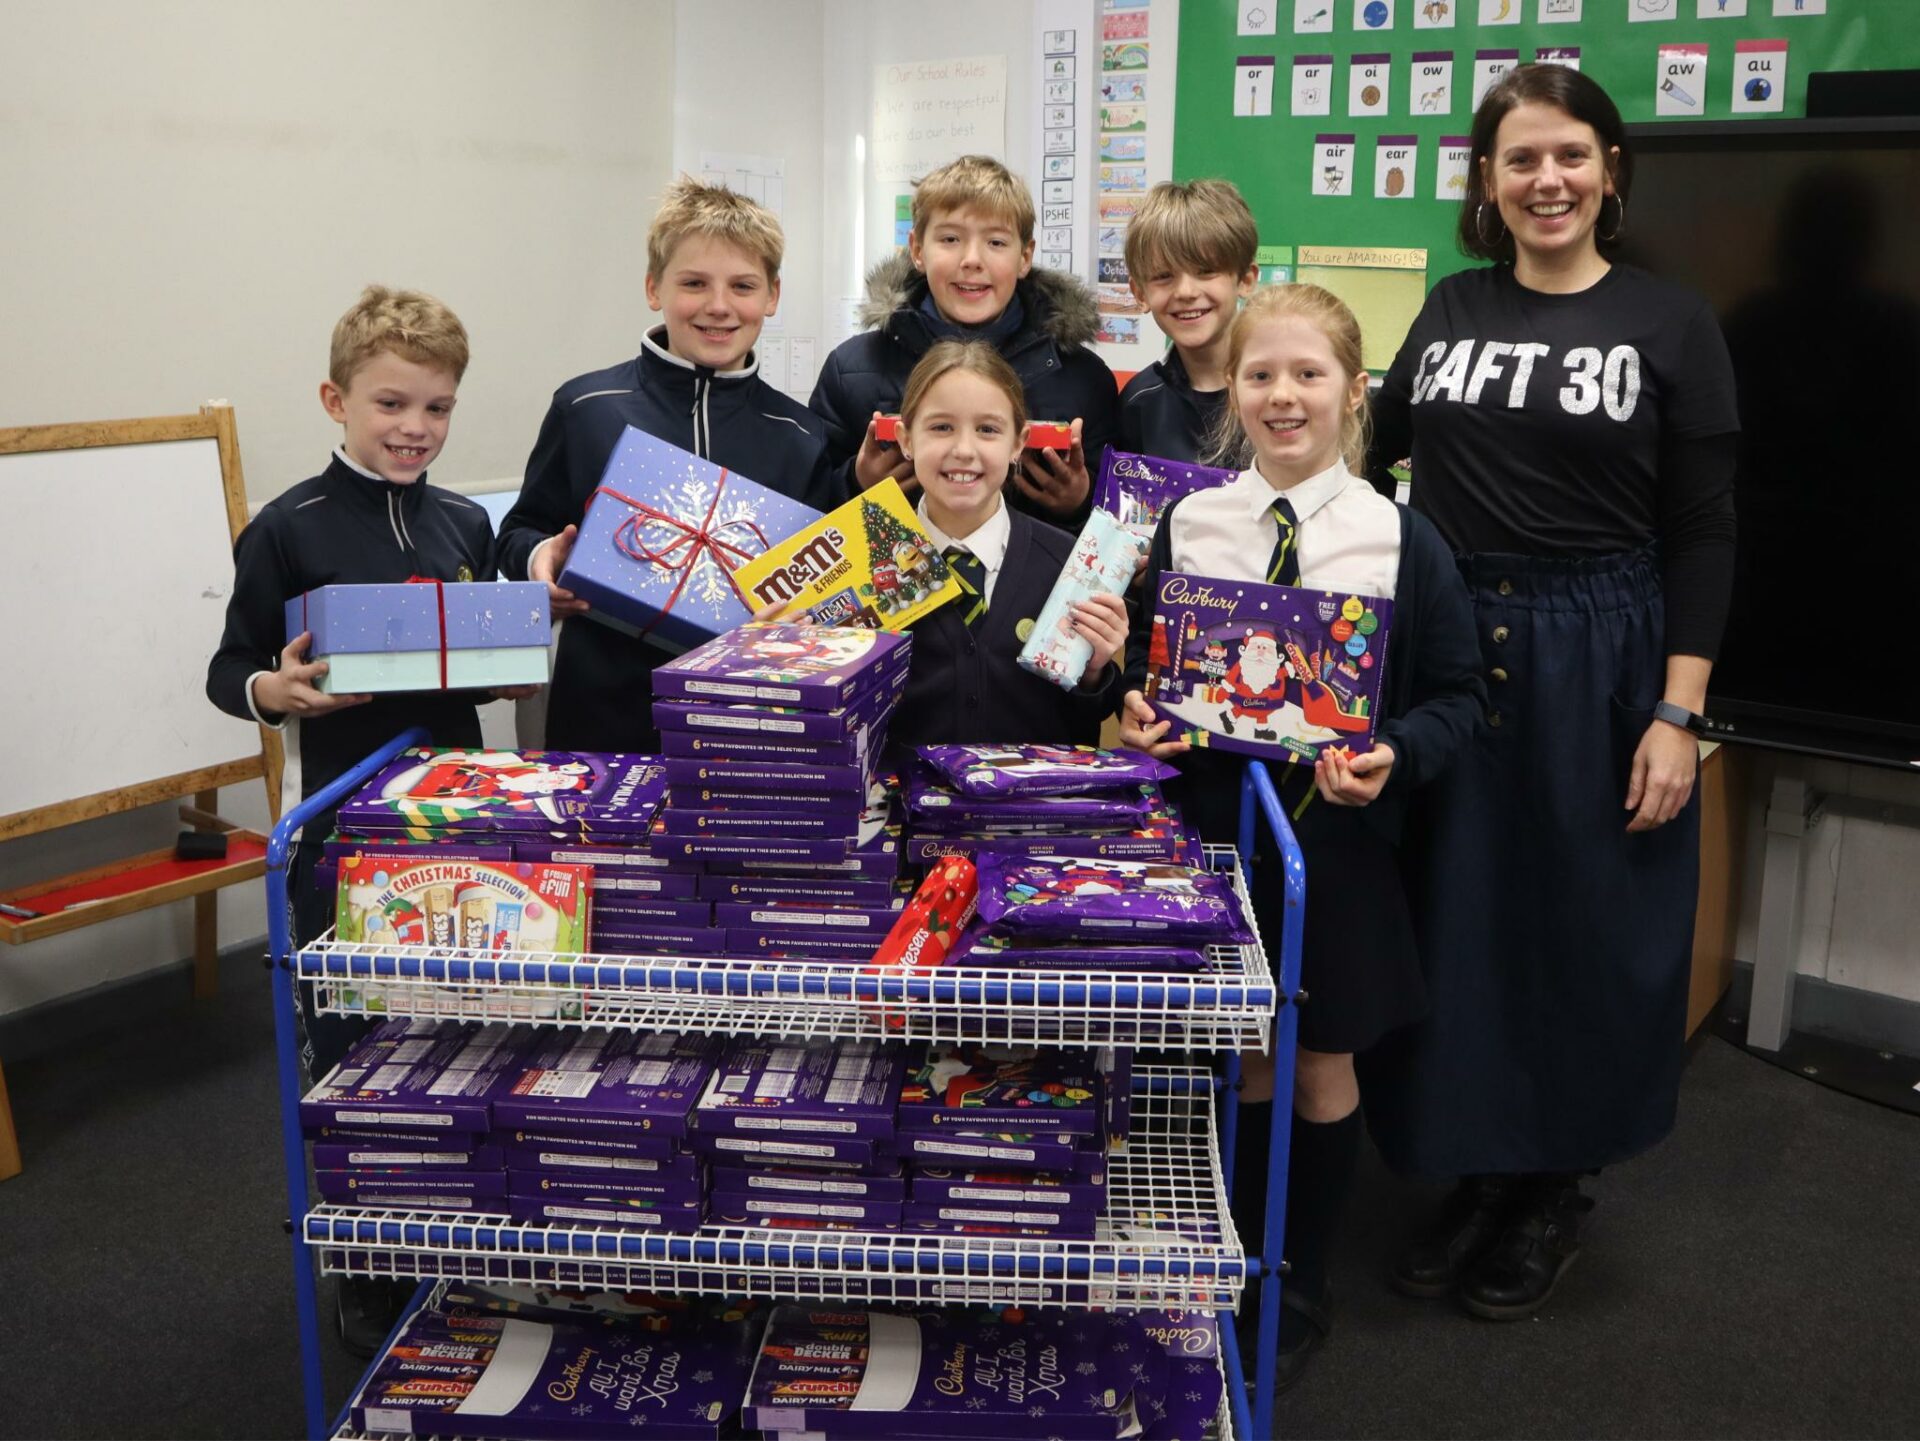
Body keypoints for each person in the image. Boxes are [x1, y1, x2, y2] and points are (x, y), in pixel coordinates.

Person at [1359, 65, 1740, 1321]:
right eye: (1520, 159)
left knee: (1580, 925)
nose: (1547, 180)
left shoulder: (1672, 322)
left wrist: (1678, 714)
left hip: (1604, 651)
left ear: (1611, 168)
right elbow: (1366, 457)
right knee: (1460, 918)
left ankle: (1551, 1189)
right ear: (1486, 181)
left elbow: (1704, 532)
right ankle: (1481, 1171)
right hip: (1458, 637)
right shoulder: (1453, 305)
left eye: (1570, 154)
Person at [1119, 284, 1485, 1388]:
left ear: (1352, 391)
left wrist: (1397, 755)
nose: (1284, 396)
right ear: (1232, 390)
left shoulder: (1399, 537)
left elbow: (1459, 699)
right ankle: (1217, 1261)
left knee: (1322, 1063)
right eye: (1261, 375)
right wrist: (1141, 708)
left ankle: (1300, 1273)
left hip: (1335, 846)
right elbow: (1153, 670)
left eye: (1308, 375)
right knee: (1239, 1062)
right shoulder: (1194, 522)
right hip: (1211, 837)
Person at [204, 283, 516, 1353]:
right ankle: (370, 1261)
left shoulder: (466, 520)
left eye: (436, 409)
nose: (413, 428)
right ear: (335, 399)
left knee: (466, 1031)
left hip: (465, 826)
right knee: (356, 1051)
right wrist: (270, 693)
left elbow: (487, 658)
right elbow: (229, 665)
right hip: (343, 838)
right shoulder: (287, 526)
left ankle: (467, 1240)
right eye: (391, 403)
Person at [497, 177, 842, 753]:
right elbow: (516, 533)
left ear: (773, 296)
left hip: (753, 721)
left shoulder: (802, 434)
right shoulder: (585, 409)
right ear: (654, 287)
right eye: (694, 283)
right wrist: (541, 561)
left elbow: (819, 584)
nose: (719, 306)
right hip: (602, 710)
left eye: (743, 286)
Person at [809, 154, 1117, 527]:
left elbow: (1114, 527)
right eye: (951, 239)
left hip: (1032, 582)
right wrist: (858, 484)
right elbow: (811, 509)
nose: (972, 259)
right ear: (918, 250)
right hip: (895, 582)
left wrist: (1077, 502)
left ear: (1025, 257)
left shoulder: (1083, 378)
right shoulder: (852, 369)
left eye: (996, 242)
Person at [886, 340, 1128, 746]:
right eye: (941, 427)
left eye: (988, 430)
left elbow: (1086, 717)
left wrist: (1095, 671)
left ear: (1018, 442)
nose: (964, 450)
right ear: (905, 439)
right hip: (899, 805)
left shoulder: (1070, 566)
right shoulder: (862, 565)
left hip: (1032, 807)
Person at [1118, 179, 1260, 461]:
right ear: (1140, 293)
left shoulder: (1285, 391)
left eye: (1206, 271)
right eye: (1163, 276)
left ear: (1245, 280)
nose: (1185, 292)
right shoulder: (1139, 402)